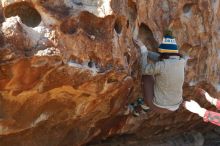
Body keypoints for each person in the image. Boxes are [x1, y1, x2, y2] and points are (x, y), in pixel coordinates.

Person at [127, 30, 187, 116]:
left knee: (147, 75)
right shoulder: (181, 61)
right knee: (160, 79)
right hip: (175, 106)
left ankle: (142, 107)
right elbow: (161, 58)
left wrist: (143, 50)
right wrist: (147, 51)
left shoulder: (162, 65)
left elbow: (144, 69)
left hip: (159, 106)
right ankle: (144, 106)